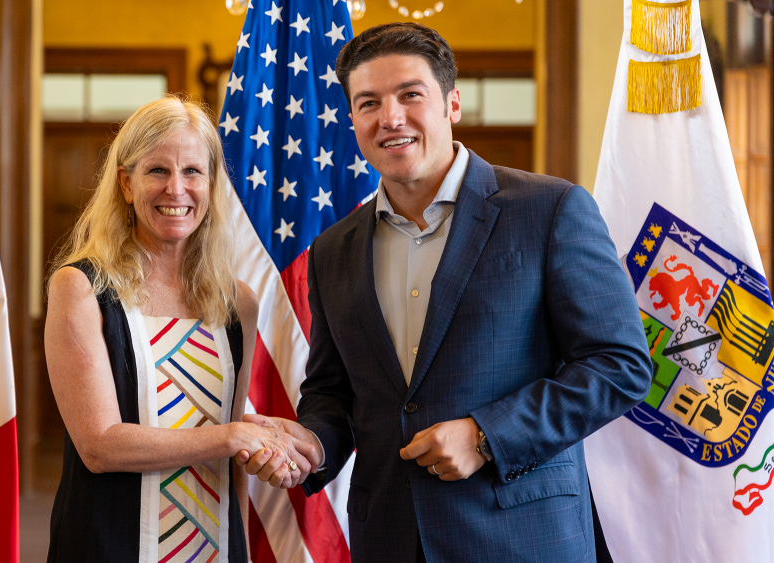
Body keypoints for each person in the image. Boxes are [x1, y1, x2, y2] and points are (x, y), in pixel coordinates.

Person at [238, 22, 653, 562]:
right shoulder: (332, 250)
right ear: (352, 121)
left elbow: (619, 365)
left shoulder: (550, 210)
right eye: (368, 103)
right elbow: (332, 394)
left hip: (522, 538)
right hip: (388, 539)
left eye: (411, 95)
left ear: (452, 104)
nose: (390, 118)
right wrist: (309, 446)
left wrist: (486, 436)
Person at [44, 96, 314, 562]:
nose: (176, 189)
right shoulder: (80, 288)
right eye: (157, 171)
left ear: (211, 185)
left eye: (192, 171)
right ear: (126, 184)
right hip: (109, 543)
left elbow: (234, 466)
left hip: (212, 543)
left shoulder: (237, 302)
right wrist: (230, 437)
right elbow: (100, 445)